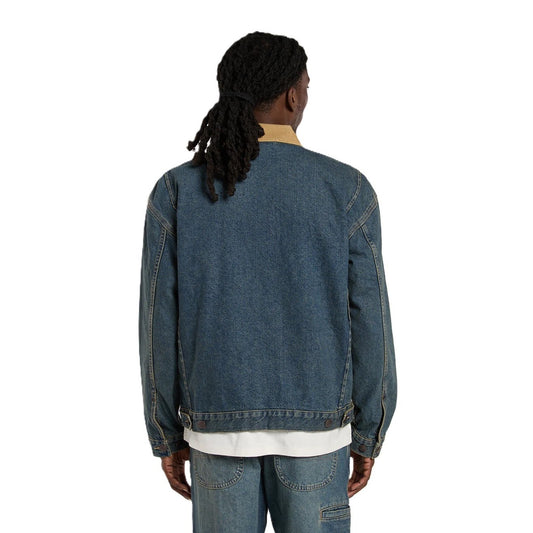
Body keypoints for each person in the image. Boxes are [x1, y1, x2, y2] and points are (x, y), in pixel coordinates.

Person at [138, 31, 397, 532]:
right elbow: (371, 321)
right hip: (318, 438)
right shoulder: (345, 189)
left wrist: (164, 432)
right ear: (292, 96)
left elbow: (157, 323)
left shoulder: (178, 191)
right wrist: (370, 431)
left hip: (215, 434)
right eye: (307, 86)